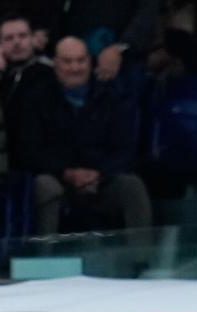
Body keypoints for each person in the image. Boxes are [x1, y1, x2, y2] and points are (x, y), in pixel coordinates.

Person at [18, 36, 152, 237]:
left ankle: (141, 261)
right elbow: (31, 150)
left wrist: (98, 174)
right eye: (68, 61)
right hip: (58, 179)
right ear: (55, 63)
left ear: (90, 62)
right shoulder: (37, 99)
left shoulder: (112, 98)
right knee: (44, 187)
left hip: (101, 180)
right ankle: (43, 260)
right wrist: (67, 173)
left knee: (132, 186)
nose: (75, 68)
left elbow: (126, 148)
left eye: (81, 60)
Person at [0, 12, 52, 163]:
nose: (16, 42)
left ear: (33, 39)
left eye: (22, 36)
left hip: (38, 156)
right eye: (9, 38)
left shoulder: (49, 72)